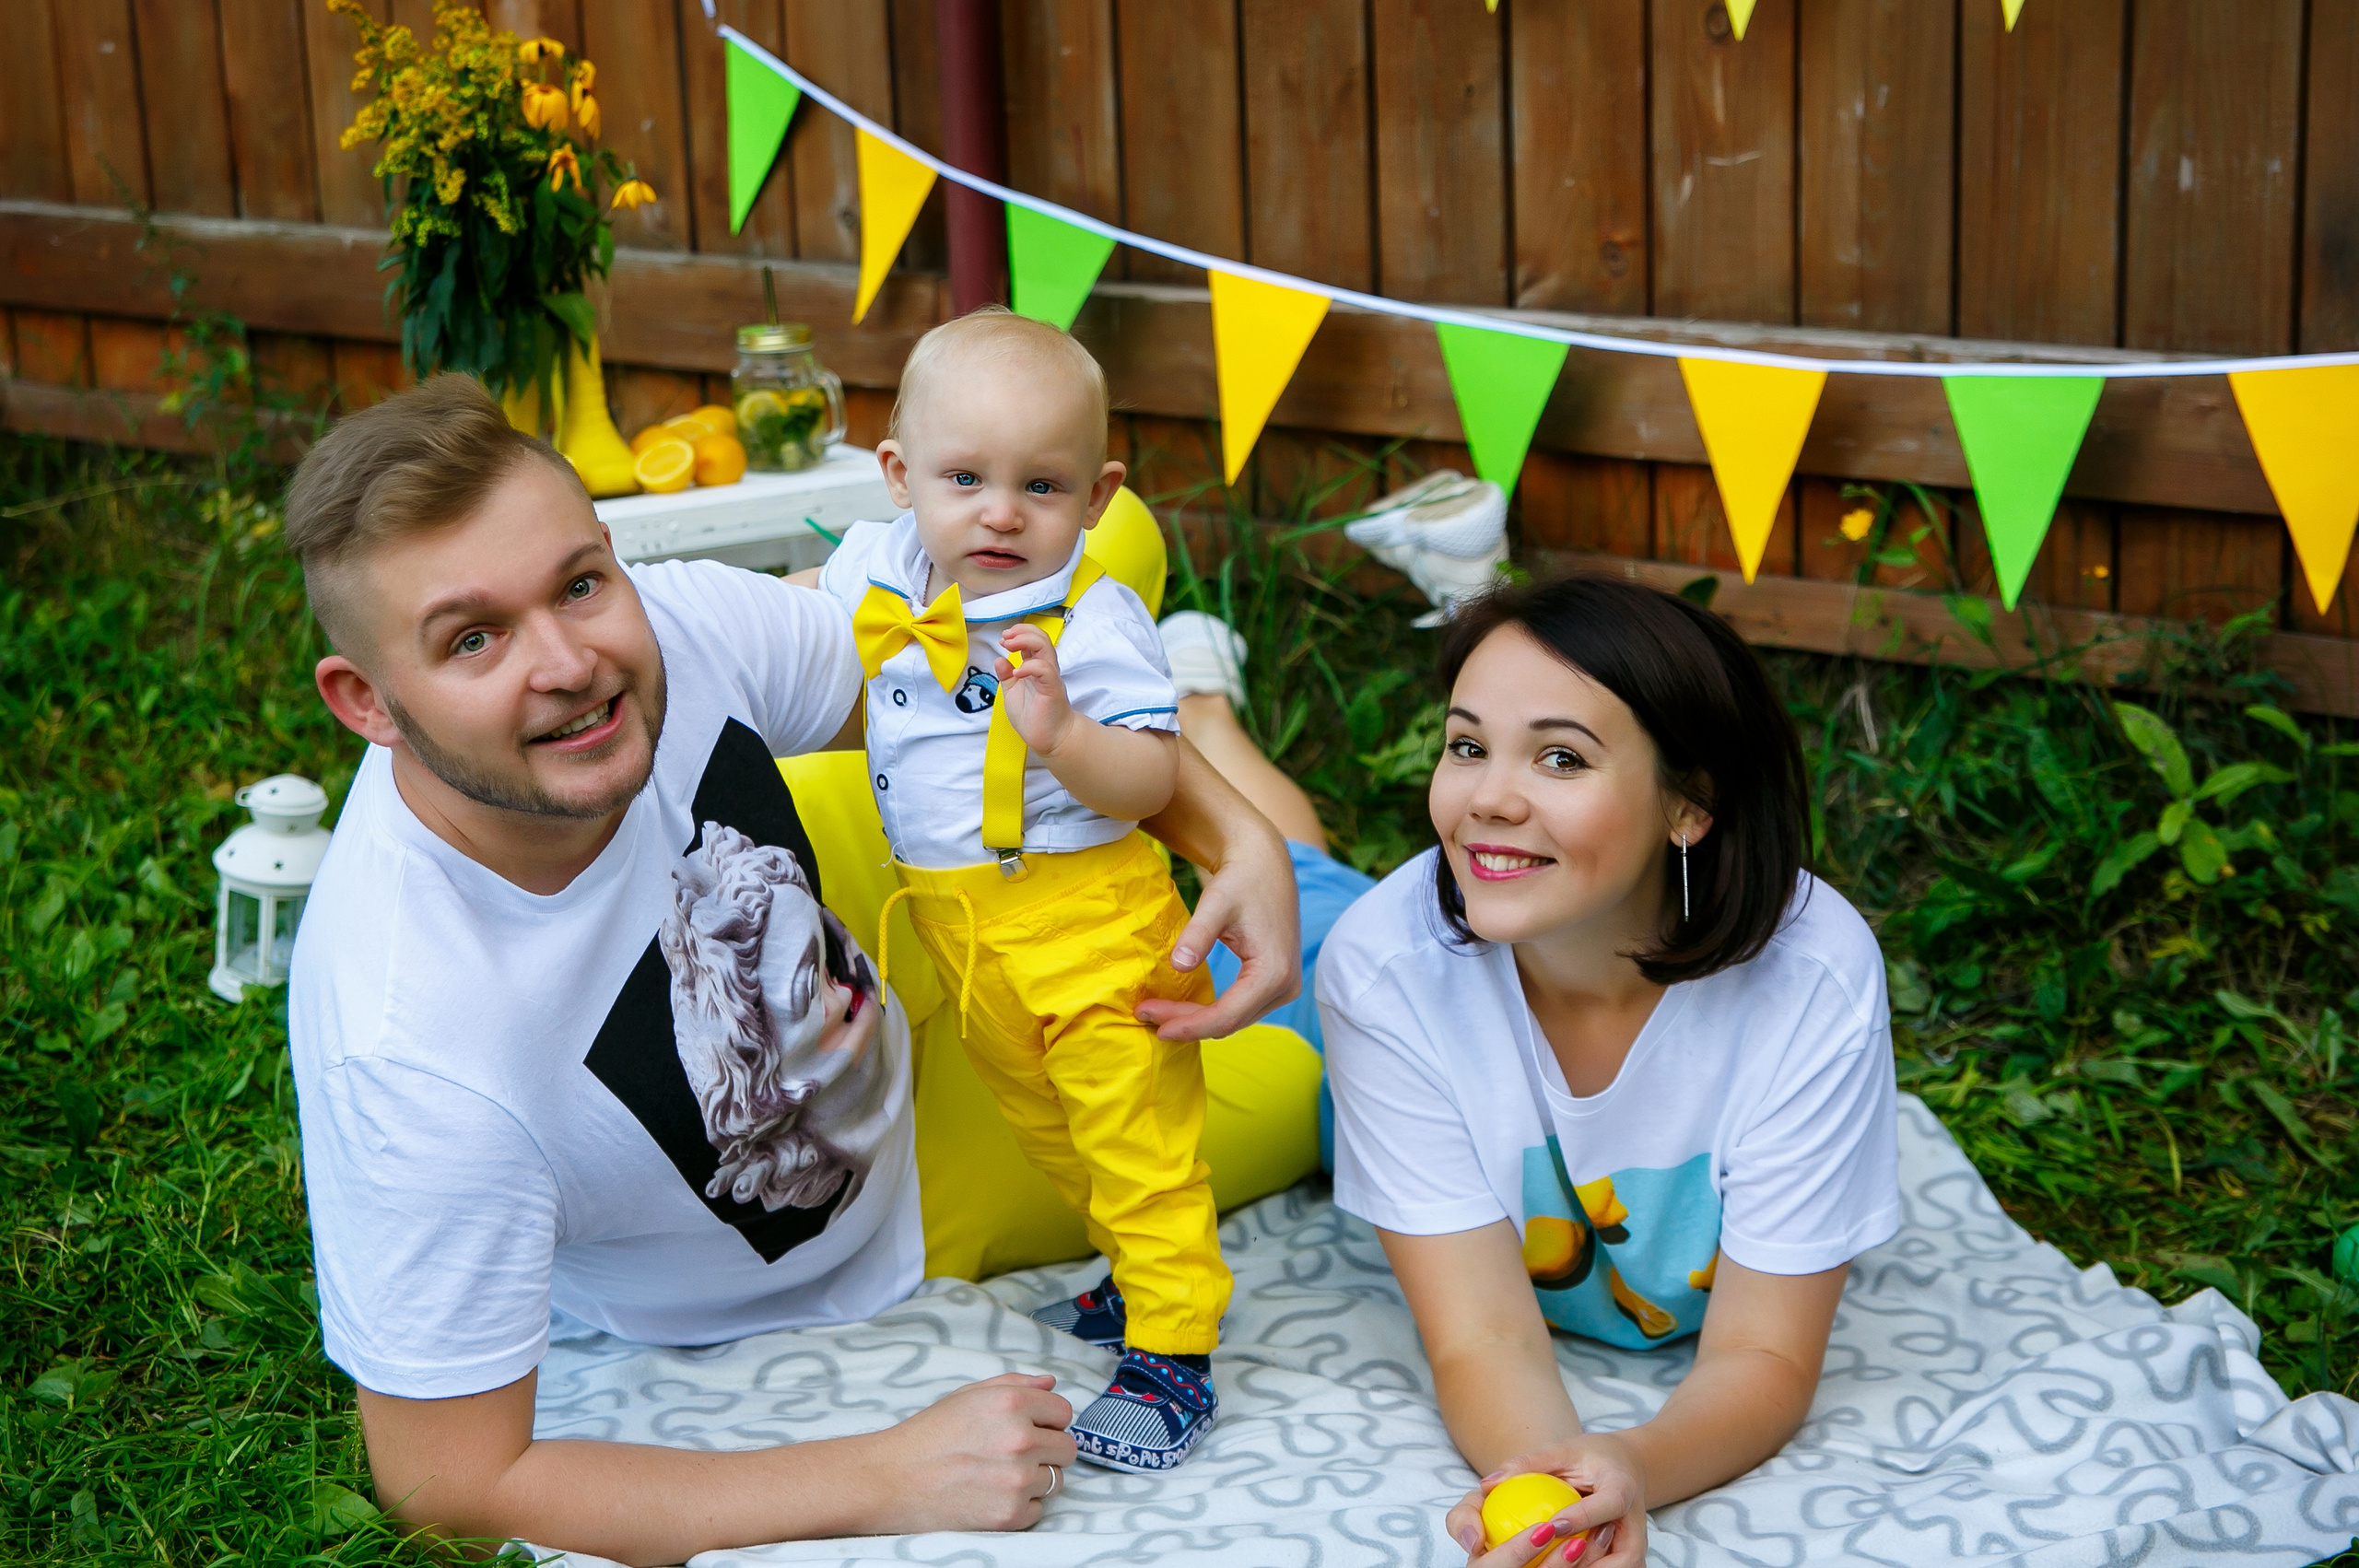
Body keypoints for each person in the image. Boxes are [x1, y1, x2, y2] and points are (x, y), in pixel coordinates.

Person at [280, 372, 1310, 1565]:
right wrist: (882, 1474)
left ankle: (1207, 728)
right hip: (900, 1189)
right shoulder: (411, 1049)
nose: (568, 662)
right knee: (1298, 1085)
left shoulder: (672, 625)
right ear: (367, 702)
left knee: (1068, 533)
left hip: (918, 894)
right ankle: (1206, 701)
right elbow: (449, 1483)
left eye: (578, 583)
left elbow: (942, 682)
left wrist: (1241, 842)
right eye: (473, 638)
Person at [1315, 577, 1900, 1568]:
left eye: (1561, 757)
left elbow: (1764, 1351)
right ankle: (1209, 710)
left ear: (1689, 803)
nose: (1489, 798)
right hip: (1320, 1026)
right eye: (1467, 746)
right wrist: (1552, 1503)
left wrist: (1622, 1470)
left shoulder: (1813, 982)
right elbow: (1482, 1338)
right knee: (1297, 913)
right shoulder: (1382, 976)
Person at [812, 310, 1228, 1470]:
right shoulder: (880, 568)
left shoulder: (1090, 617)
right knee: (1054, 1134)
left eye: (1040, 486)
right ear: (899, 476)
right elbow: (791, 609)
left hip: (1089, 922)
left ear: (1096, 498)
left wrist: (1067, 737)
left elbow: (1151, 780)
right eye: (965, 479)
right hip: (963, 930)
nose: (1000, 513)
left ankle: (1175, 1349)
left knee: (1135, 1139)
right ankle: (1134, 1277)